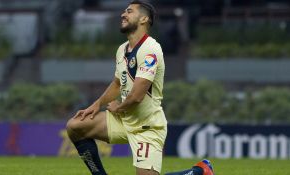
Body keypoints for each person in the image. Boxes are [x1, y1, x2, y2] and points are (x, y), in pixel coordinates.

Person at [66, 1, 214, 175]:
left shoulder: (151, 49)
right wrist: (97, 104)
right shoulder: (122, 49)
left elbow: (136, 96)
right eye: (124, 11)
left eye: (129, 11)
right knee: (75, 126)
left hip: (147, 127)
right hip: (124, 120)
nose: (123, 14)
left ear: (144, 19)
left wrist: (118, 107)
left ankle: (200, 172)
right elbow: (117, 83)